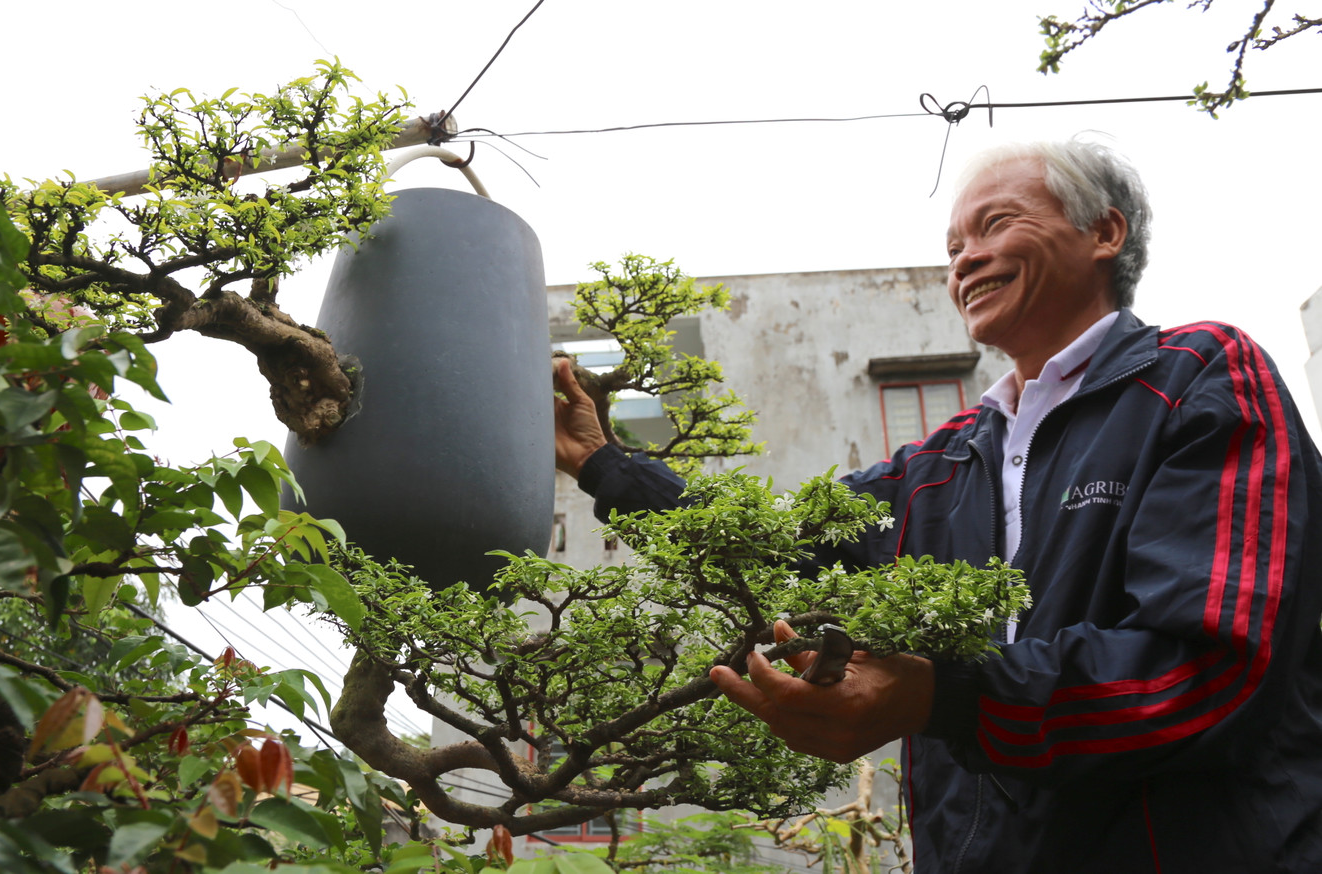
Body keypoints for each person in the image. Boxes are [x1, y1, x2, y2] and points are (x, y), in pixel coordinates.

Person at [551, 139, 1322, 872]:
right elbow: (767, 544)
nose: (965, 261)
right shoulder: (939, 462)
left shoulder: (1197, 377)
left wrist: (942, 696)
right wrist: (603, 464)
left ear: (1104, 233)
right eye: (954, 247)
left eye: (996, 224)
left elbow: (1212, 670)